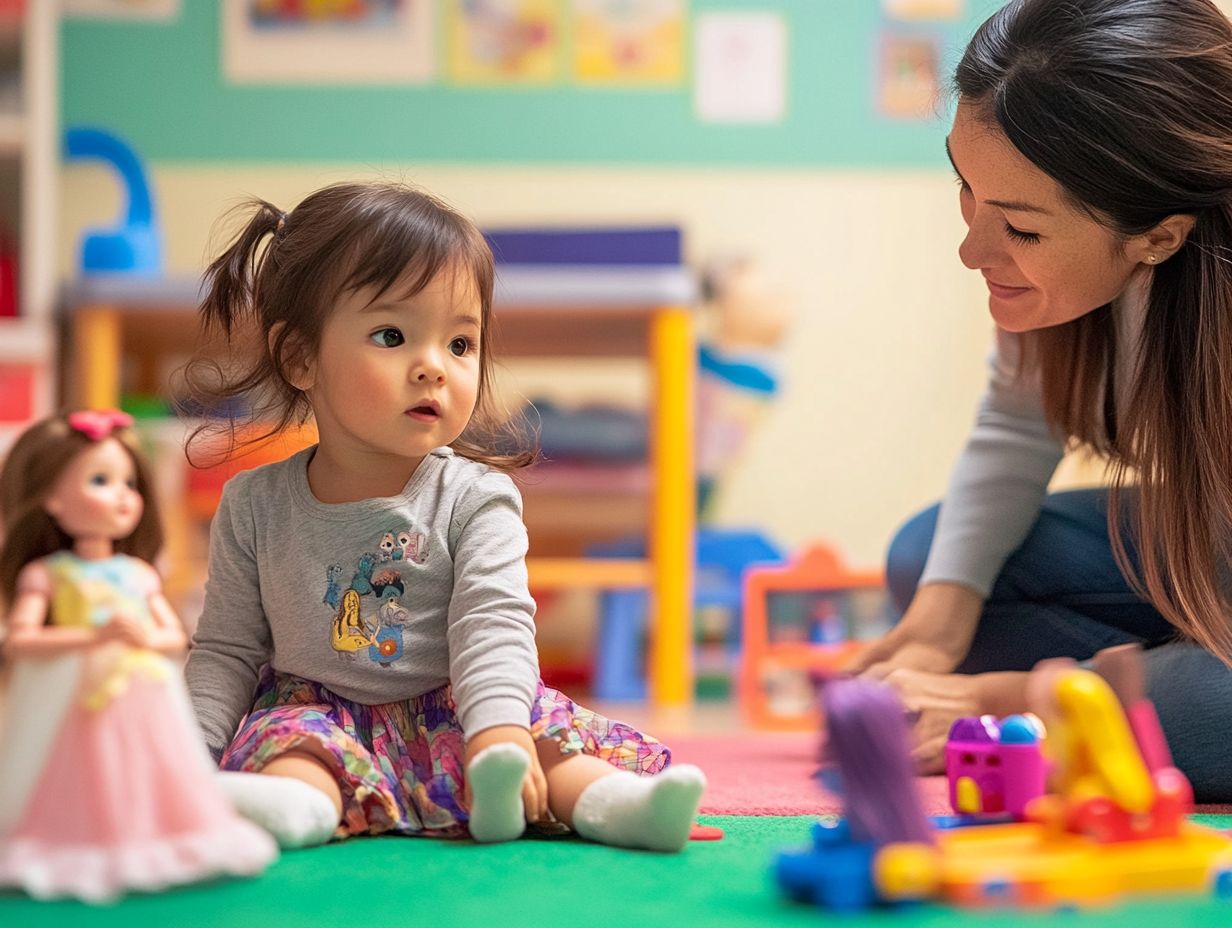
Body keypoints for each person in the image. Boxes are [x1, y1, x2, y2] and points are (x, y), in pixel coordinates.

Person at [182, 181, 706, 851]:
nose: (434, 367)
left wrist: (495, 731)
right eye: (393, 335)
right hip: (319, 721)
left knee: (541, 743)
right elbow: (226, 648)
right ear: (299, 357)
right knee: (293, 757)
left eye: (460, 345)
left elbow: (493, 621)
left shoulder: (475, 496)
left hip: (459, 706)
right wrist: (190, 753)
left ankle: (618, 807)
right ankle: (292, 809)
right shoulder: (253, 505)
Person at [845, 0, 1232, 802]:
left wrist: (1006, 699)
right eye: (966, 188)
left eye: (1019, 229)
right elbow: (1015, 427)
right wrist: (935, 627)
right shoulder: (1064, 291)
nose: (971, 250)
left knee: (1207, 708)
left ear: (1161, 235)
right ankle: (1159, 672)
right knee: (930, 563)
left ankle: (1151, 683)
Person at [0, 411, 276, 902]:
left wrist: (143, 638)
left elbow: (173, 636)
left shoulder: (139, 575)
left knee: (149, 769)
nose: (124, 496)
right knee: (89, 771)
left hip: (143, 693)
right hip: (82, 696)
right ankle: (86, 836)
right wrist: (93, 636)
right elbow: (20, 639)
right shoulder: (49, 575)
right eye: (101, 481)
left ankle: (153, 829)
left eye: (129, 481)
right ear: (52, 500)